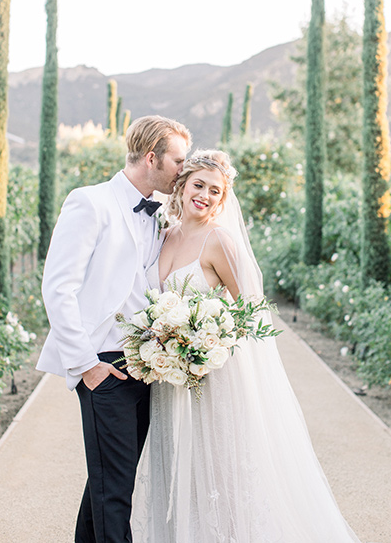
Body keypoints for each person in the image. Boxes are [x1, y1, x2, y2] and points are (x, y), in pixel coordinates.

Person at [131, 149, 363, 543]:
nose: (204, 195)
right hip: (170, 379)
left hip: (216, 377)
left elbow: (251, 314)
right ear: (182, 186)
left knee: (220, 469)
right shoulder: (162, 235)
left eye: (215, 191)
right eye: (198, 185)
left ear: (223, 200)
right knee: (180, 469)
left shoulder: (220, 241)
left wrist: (204, 338)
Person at [36, 115, 192, 543]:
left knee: (109, 482)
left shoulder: (158, 215)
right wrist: (87, 365)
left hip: (144, 364)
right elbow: (58, 287)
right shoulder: (91, 202)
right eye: (178, 161)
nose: (184, 169)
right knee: (115, 491)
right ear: (151, 158)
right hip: (103, 366)